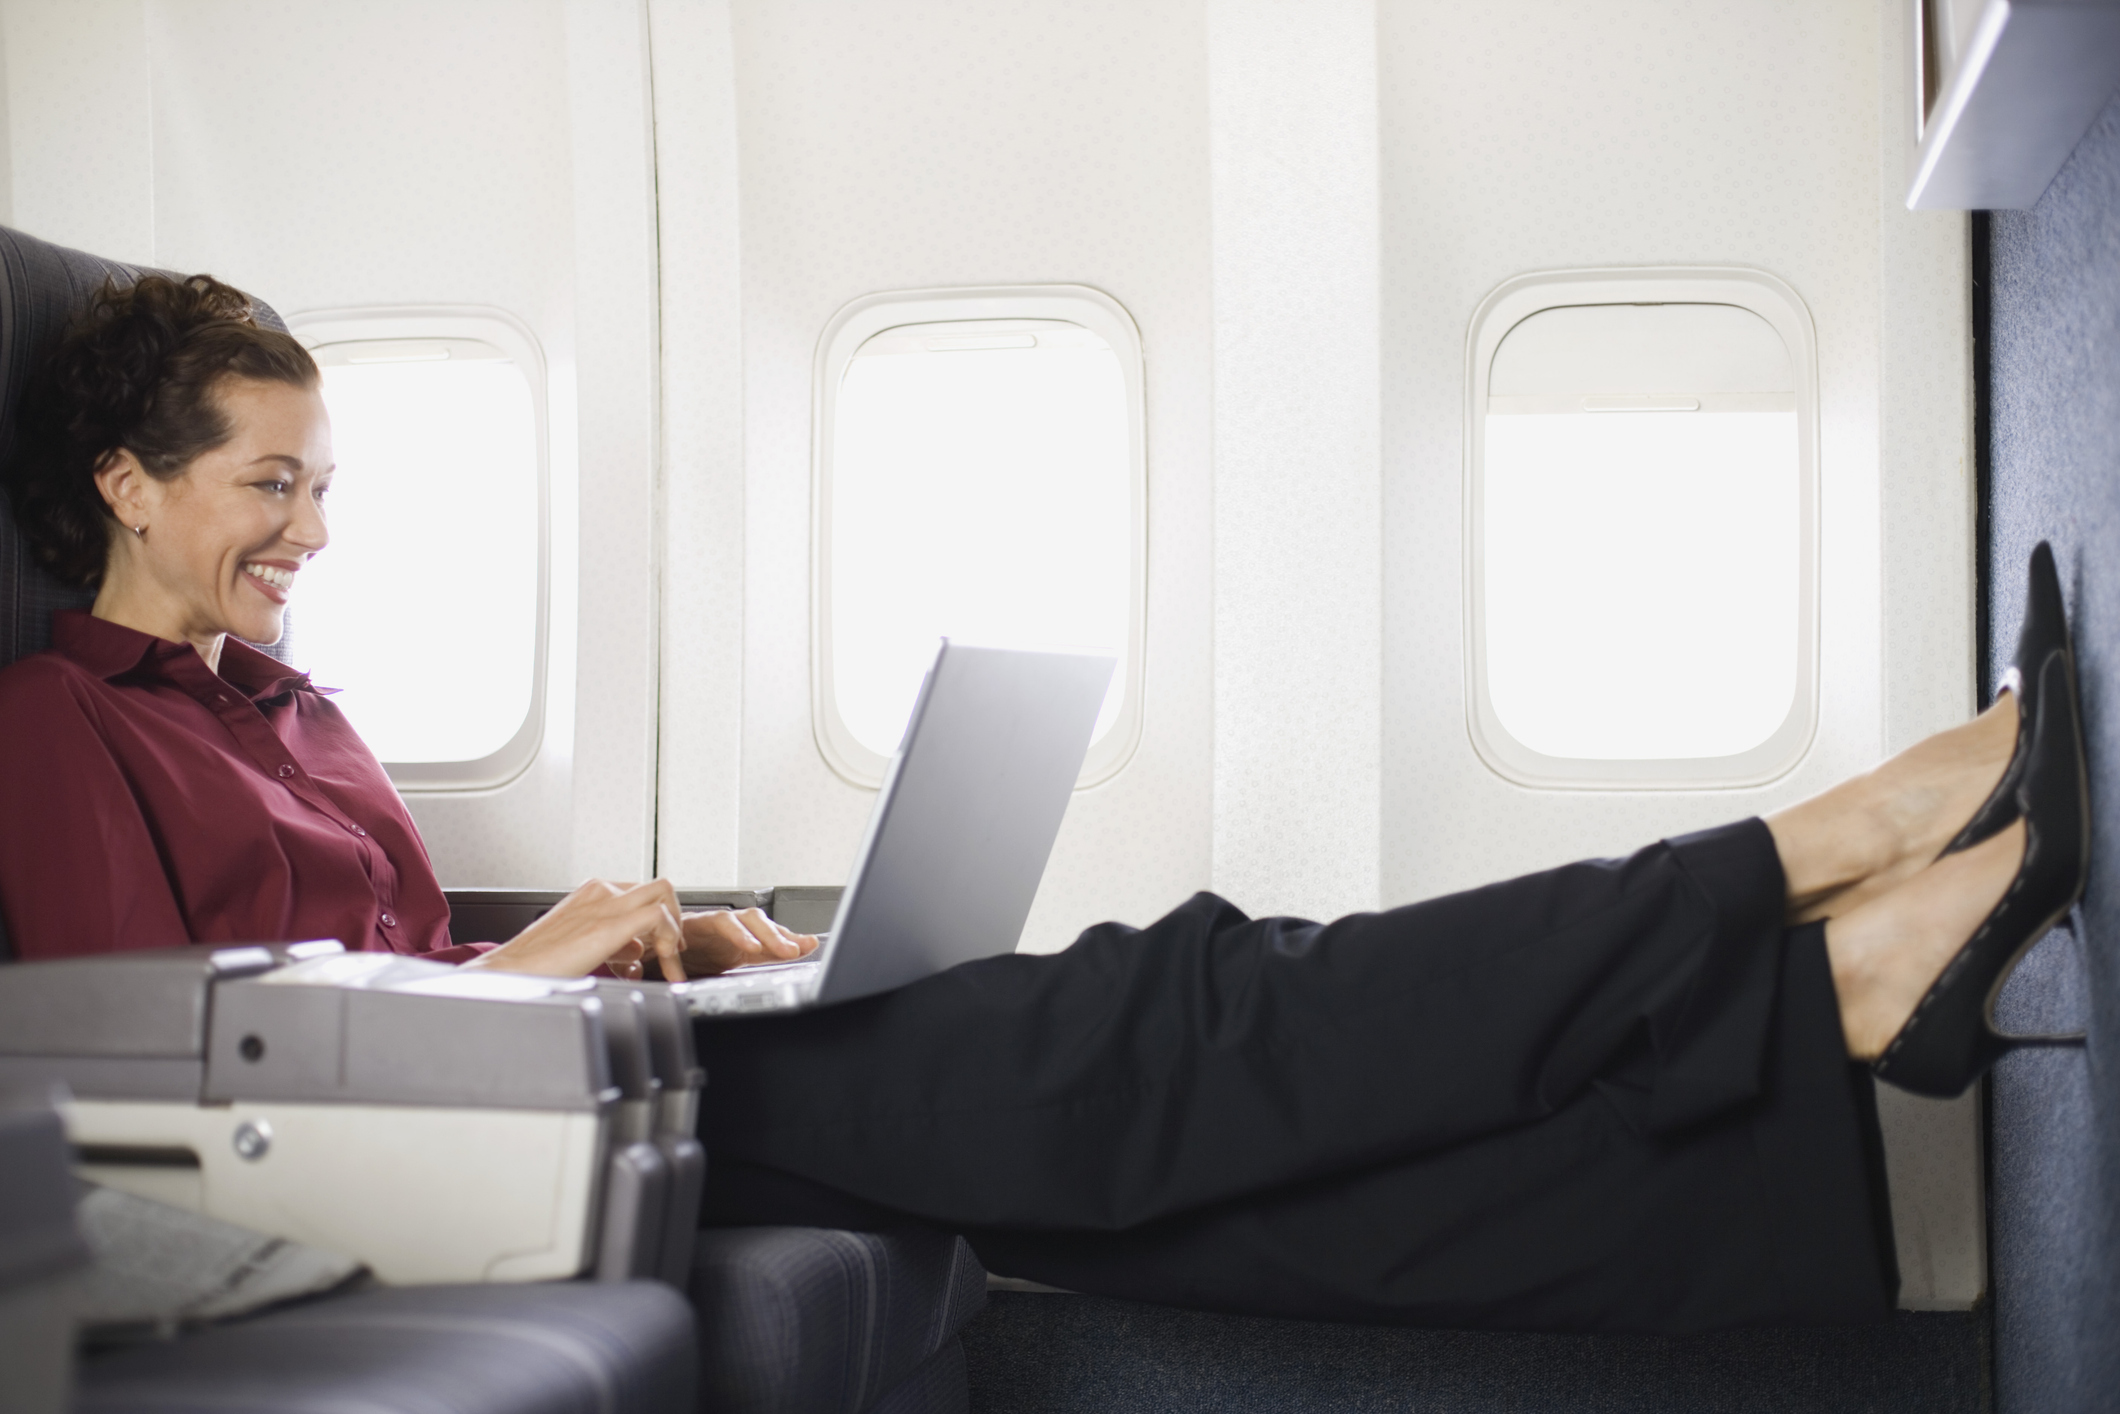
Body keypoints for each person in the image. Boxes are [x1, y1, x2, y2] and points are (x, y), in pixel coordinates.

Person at [0, 274, 2088, 1334]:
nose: (310, 530)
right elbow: (152, 1052)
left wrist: (637, 946)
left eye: (323, 485)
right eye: (271, 483)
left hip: (570, 1074)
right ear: (127, 483)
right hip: (461, 1163)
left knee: (1234, 1193)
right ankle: (1818, 858)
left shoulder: (289, 709)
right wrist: (541, 957)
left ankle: (1840, 1009)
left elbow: (376, 971)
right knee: (1183, 1006)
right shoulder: (56, 723)